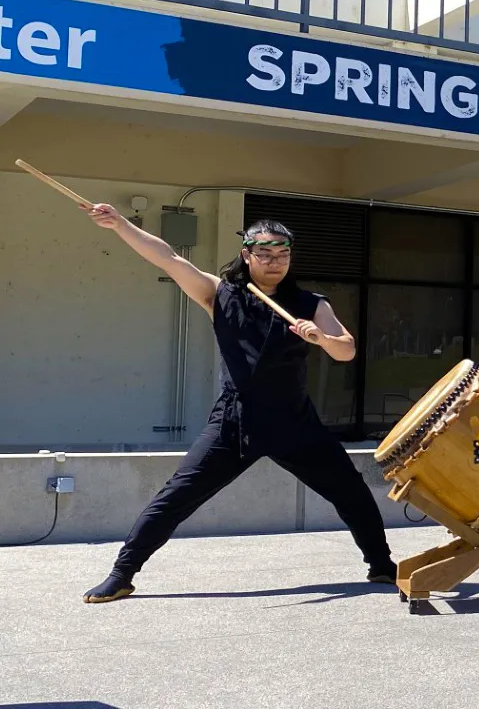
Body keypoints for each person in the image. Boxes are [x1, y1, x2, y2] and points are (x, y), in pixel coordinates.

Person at [80, 208, 397, 603]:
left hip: (294, 421)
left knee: (351, 491)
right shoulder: (220, 294)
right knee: (176, 496)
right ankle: (122, 574)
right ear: (247, 255)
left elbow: (346, 350)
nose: (274, 262)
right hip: (234, 421)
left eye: (282, 254)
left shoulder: (310, 304)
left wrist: (321, 339)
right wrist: (122, 226)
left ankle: (382, 566)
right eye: (264, 254)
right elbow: (168, 258)